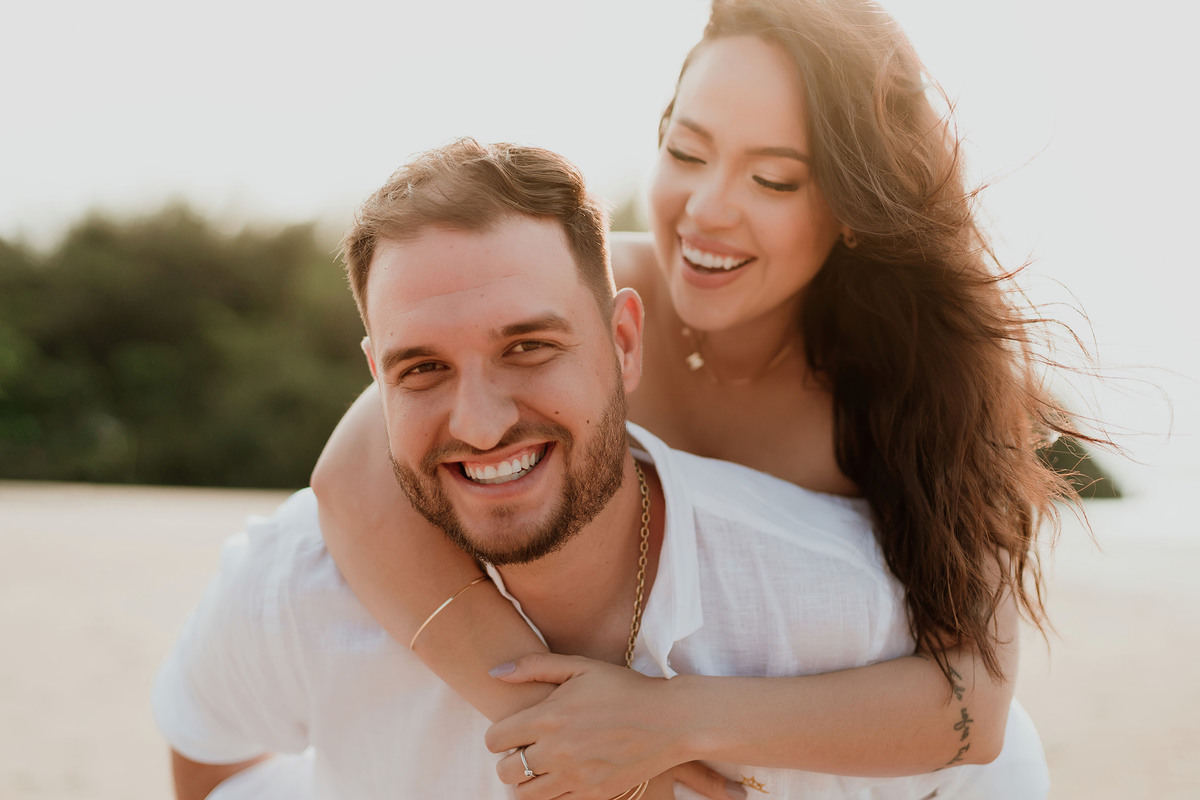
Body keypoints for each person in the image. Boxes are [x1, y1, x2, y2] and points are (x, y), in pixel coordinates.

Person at [311, 0, 1084, 797]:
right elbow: (352, 480)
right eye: (687, 150)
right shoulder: (593, 302)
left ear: (852, 208)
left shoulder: (934, 377)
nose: (709, 208)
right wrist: (556, 721)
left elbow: (975, 705)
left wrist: (668, 723)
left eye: (773, 178)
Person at [151, 139, 1039, 800]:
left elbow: (984, 753)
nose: (481, 422)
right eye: (421, 368)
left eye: (529, 347)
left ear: (623, 342)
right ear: (375, 377)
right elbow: (206, 749)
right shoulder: (297, 585)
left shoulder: (840, 612)